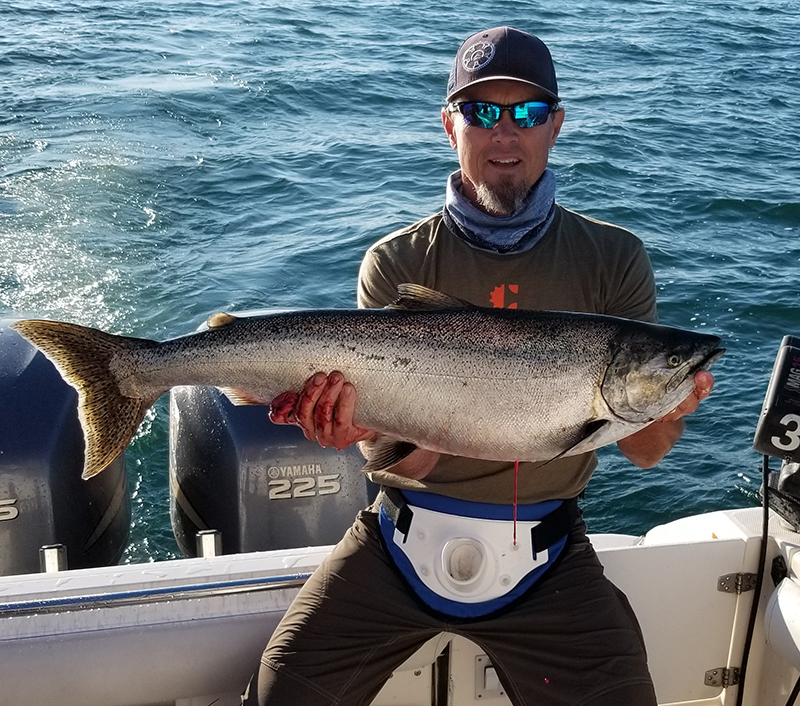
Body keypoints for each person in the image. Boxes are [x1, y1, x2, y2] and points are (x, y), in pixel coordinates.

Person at [243, 26, 714, 706]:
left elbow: (644, 451)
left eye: (525, 113)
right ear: (449, 126)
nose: (504, 134)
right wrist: (355, 426)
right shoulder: (398, 262)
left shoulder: (614, 261)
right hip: (399, 535)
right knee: (282, 689)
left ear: (555, 127)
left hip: (549, 556)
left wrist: (667, 401)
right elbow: (400, 462)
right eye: (481, 112)